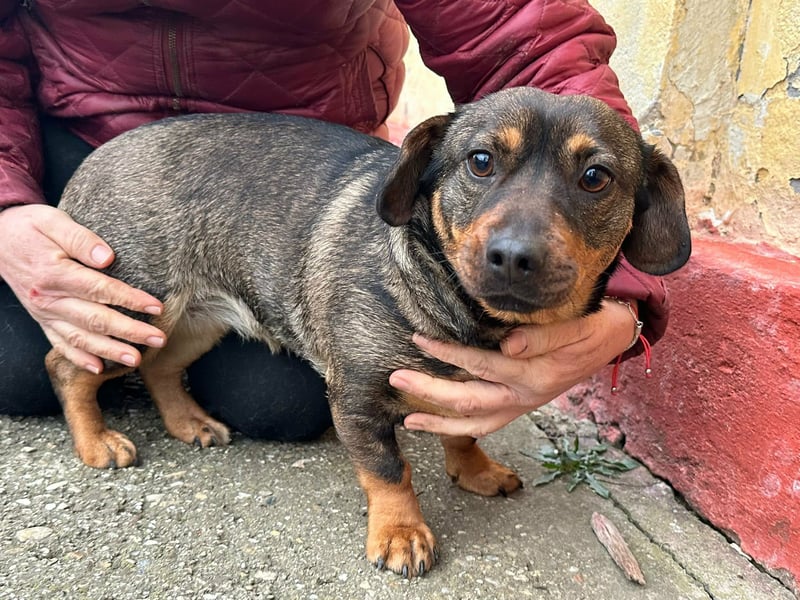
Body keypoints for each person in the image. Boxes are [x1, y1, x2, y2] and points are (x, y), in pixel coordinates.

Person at [0, 1, 670, 443]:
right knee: (23, 370)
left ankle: (164, 374)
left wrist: (621, 297)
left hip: (297, 170)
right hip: (101, 154)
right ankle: (113, 394)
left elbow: (522, 30)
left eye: (593, 180)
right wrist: (6, 205)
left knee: (283, 408)